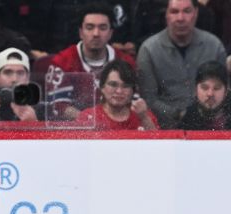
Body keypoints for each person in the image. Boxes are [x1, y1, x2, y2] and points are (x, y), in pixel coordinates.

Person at [137, 0, 226, 128]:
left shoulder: (214, 46)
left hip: (210, 128)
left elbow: (225, 92)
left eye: (187, 11)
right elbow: (148, 99)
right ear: (166, 14)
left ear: (196, 13)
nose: (180, 18)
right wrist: (180, 115)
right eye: (174, 12)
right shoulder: (149, 50)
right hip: (165, 130)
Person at [47, 2, 137, 120]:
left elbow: (134, 103)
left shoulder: (126, 62)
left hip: (116, 130)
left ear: (111, 33)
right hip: (76, 132)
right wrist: (92, 122)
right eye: (90, 27)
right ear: (81, 32)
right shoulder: (61, 62)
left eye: (103, 28)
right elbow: (59, 106)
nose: (96, 34)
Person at [78, 58, 159, 129]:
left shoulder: (143, 114)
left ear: (133, 91)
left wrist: (144, 118)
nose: (119, 91)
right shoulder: (88, 117)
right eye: (113, 85)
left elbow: (159, 145)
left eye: (126, 86)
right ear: (102, 87)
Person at [0, 47, 41, 129]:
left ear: (28, 78)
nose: (14, 79)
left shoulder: (41, 110)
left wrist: (34, 124)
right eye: (8, 72)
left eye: (20, 73)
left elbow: (54, 140)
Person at [179, 59, 231, 128]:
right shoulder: (187, 121)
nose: (210, 94)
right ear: (195, 90)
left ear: (226, 92)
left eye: (217, 88)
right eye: (204, 88)